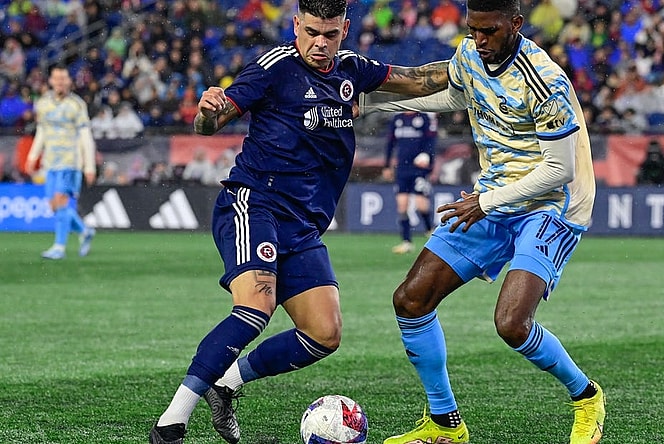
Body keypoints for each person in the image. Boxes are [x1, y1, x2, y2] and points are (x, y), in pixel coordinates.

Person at [147, 0, 449, 442]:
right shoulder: (273, 67)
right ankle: (171, 423)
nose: (319, 44)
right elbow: (209, 124)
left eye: (329, 34)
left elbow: (414, 79)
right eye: (310, 32)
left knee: (324, 333)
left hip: (303, 226)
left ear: (345, 29)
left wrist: (477, 65)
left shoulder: (353, 69)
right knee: (255, 308)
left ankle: (226, 383)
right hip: (255, 203)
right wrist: (208, 110)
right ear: (296, 26)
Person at [365, 0, 605, 442]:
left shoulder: (545, 81)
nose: (479, 40)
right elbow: (449, 94)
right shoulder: (473, 54)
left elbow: (559, 170)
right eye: (473, 30)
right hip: (494, 195)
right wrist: (372, 105)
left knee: (512, 323)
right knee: (411, 300)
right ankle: (444, 424)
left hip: (552, 204)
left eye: (490, 31)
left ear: (515, 24)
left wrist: (488, 202)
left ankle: (586, 396)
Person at [25, 64, 96, 260]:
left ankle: (59, 247)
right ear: (51, 81)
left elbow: (85, 136)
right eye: (57, 79)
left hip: (70, 161)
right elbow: (41, 132)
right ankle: (84, 231)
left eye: (64, 79)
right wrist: (32, 156)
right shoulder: (43, 103)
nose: (60, 82)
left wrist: (89, 166)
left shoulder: (77, 105)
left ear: (69, 82)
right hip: (50, 163)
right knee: (55, 206)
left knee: (61, 201)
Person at [383, 110, 438, 254]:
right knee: (402, 205)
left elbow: (431, 141)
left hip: (419, 169)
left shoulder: (423, 118)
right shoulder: (397, 118)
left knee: (421, 206)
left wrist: (428, 160)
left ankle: (429, 230)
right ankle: (406, 241)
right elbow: (390, 143)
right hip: (402, 169)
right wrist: (387, 165)